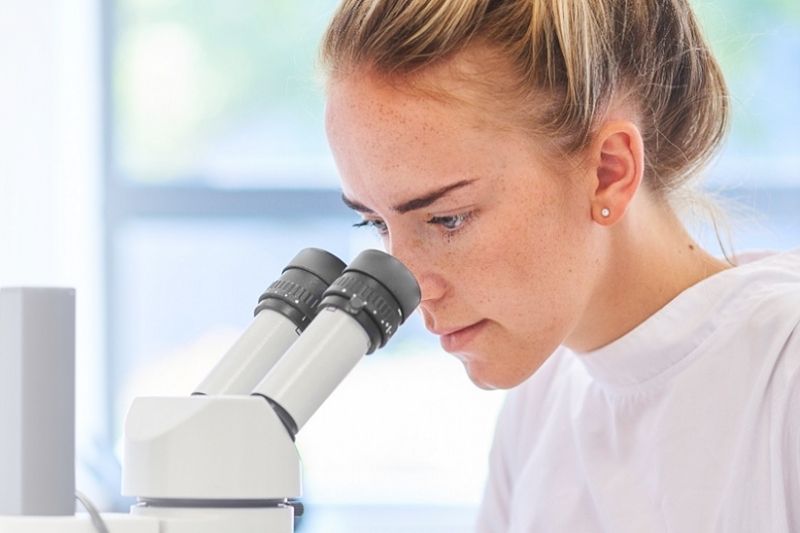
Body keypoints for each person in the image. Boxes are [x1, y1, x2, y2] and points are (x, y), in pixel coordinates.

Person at [319, 0, 800, 531]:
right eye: (377, 224)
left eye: (448, 219)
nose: (412, 292)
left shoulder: (783, 375)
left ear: (609, 172)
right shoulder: (541, 400)